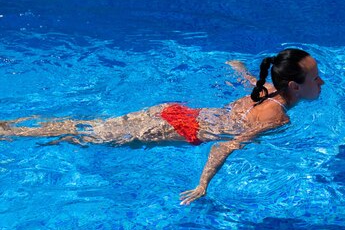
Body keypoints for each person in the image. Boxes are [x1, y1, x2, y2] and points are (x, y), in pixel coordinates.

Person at [0, 48, 324, 205]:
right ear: (294, 86)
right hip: (176, 130)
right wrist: (203, 184)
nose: (321, 82)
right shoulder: (277, 117)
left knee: (92, 129)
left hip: (174, 112)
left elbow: (253, 82)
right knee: (92, 135)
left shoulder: (266, 90)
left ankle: (20, 128)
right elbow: (224, 144)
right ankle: (17, 132)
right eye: (314, 78)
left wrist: (238, 69)